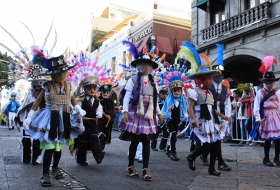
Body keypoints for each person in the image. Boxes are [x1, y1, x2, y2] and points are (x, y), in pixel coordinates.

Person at [23, 51, 85, 187]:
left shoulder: (70, 86)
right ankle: (45, 173)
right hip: (50, 117)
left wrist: (78, 109)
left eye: (64, 72)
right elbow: (38, 101)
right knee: (50, 146)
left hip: (65, 117)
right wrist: (30, 116)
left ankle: (55, 167)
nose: (62, 75)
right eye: (58, 72)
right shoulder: (47, 85)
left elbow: (73, 100)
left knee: (59, 147)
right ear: (52, 74)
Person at [119, 40, 164, 181]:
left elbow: (154, 100)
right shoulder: (133, 80)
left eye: (148, 65)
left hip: (148, 115)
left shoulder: (153, 82)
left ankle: (145, 168)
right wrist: (125, 112)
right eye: (143, 64)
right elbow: (127, 96)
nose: (146, 67)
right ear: (138, 66)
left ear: (152, 67)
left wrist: (160, 114)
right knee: (135, 140)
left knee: (146, 142)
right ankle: (130, 166)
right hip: (136, 113)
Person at [186, 53, 229, 176]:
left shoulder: (209, 93)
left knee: (215, 144)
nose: (211, 81)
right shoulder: (195, 91)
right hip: (202, 120)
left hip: (211, 121)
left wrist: (222, 116)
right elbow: (190, 107)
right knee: (208, 145)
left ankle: (211, 168)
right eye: (208, 79)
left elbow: (212, 109)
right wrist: (193, 119)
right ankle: (192, 156)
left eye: (212, 79)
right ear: (201, 80)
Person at [200, 44, 232, 171]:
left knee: (215, 141)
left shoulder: (226, 89)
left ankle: (203, 155)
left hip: (222, 117)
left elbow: (228, 103)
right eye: (217, 75)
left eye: (221, 75)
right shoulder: (207, 86)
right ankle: (220, 162)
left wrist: (227, 117)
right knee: (216, 140)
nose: (219, 77)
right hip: (211, 117)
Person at [252, 56, 280, 166]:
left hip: (276, 116)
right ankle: (266, 158)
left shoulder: (277, 93)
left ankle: (277, 158)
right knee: (267, 138)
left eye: (271, 82)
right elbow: (257, 106)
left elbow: (279, 106)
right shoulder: (260, 93)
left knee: (278, 139)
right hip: (266, 116)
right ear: (264, 82)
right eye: (267, 82)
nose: (269, 84)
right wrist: (258, 118)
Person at [74, 76, 105, 166]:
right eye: (89, 88)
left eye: (94, 88)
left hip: (93, 124)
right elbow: (76, 109)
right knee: (83, 141)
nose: (92, 90)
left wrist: (99, 114)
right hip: (83, 124)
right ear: (84, 89)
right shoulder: (81, 100)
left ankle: (98, 155)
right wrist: (79, 114)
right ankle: (81, 159)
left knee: (95, 138)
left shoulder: (97, 101)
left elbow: (99, 109)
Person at [16, 79, 46, 165]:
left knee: (37, 141)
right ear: (32, 89)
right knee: (26, 141)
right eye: (36, 90)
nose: (37, 92)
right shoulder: (28, 98)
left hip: (40, 122)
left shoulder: (45, 98)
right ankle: (26, 158)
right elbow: (22, 110)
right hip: (29, 122)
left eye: (40, 90)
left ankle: (36, 159)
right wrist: (22, 120)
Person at [161, 80, 188, 161]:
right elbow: (165, 110)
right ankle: (173, 152)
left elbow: (185, 110)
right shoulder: (169, 100)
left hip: (178, 120)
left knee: (174, 136)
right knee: (172, 134)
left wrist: (185, 117)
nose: (177, 93)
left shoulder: (182, 100)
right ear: (172, 91)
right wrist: (166, 117)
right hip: (170, 120)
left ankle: (169, 149)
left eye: (179, 91)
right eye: (175, 91)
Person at [151, 87, 168, 151]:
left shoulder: (168, 101)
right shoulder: (156, 100)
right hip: (157, 119)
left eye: (165, 93)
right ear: (160, 93)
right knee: (156, 132)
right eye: (163, 93)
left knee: (166, 132)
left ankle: (162, 146)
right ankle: (153, 146)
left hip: (165, 119)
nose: (164, 95)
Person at [98, 83, 116, 148]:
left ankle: (102, 146)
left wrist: (111, 116)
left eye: (107, 92)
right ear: (101, 93)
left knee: (106, 133)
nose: (105, 94)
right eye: (104, 92)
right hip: (100, 120)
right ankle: (99, 147)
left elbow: (112, 110)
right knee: (100, 133)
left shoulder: (110, 101)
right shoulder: (99, 100)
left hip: (108, 121)